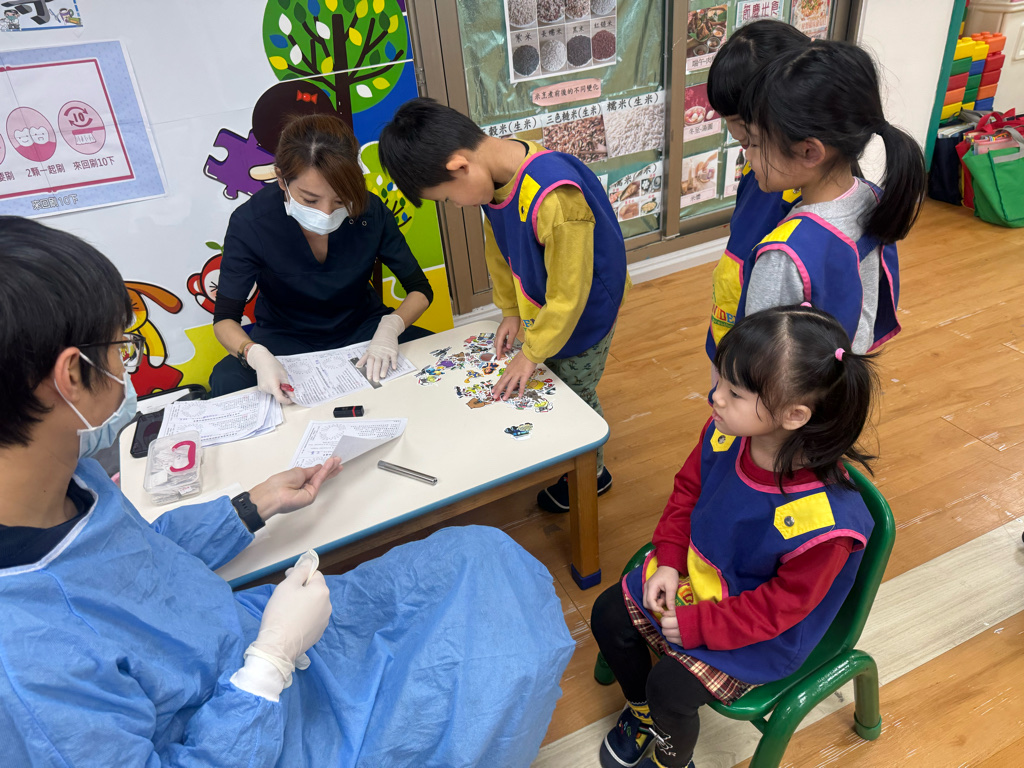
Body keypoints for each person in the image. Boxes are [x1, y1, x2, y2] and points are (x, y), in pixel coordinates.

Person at [0, 216, 575, 767]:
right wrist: (269, 663)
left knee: (481, 555)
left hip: (250, 639)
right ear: (71, 375)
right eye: (120, 348)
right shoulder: (25, 664)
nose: (125, 366)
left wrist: (252, 506)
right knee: (501, 666)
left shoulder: (72, 480)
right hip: (261, 726)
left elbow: (138, 556)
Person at [590, 306, 879, 768]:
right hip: (699, 577)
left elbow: (780, 609)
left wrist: (701, 625)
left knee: (670, 688)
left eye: (734, 392)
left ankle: (671, 760)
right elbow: (687, 492)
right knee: (608, 615)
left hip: (761, 631)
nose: (715, 397)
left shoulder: (825, 524)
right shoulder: (725, 435)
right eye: (719, 381)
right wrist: (669, 559)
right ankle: (643, 716)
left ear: (794, 415)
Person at [378, 98, 630, 513]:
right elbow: (499, 252)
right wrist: (510, 311)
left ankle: (592, 475)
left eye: (447, 198)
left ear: (460, 166)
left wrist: (531, 353)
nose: (456, 205)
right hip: (544, 306)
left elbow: (570, 294)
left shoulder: (554, 198)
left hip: (587, 314)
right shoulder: (494, 179)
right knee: (548, 378)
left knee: (576, 393)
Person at [210, 114, 435, 401]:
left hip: (364, 329)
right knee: (226, 379)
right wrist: (254, 354)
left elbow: (420, 289)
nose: (326, 213)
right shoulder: (251, 223)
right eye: (310, 200)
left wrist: (391, 326)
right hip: (284, 339)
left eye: (340, 200)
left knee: (434, 352)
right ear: (281, 179)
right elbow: (225, 319)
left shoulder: (370, 211)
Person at [735, 39, 926, 354]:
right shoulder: (872, 199)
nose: (747, 154)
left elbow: (756, 359)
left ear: (809, 152)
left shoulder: (784, 257)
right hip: (845, 369)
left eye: (755, 143)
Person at [704, 19, 809, 365]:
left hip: (759, 352)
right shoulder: (760, 165)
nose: (735, 135)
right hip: (731, 322)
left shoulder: (797, 194)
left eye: (740, 122)